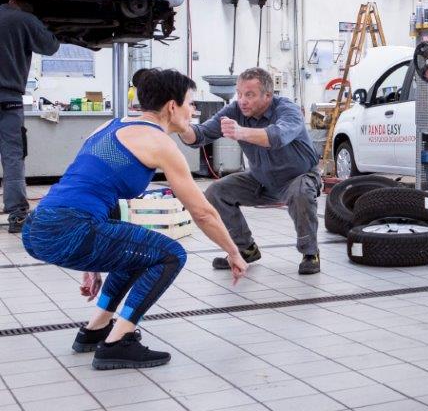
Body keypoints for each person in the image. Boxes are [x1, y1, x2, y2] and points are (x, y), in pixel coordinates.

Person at [21, 69, 247, 369]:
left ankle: (96, 329)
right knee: (171, 255)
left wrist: (93, 263)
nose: (193, 111)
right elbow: (202, 212)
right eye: (190, 103)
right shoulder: (160, 143)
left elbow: (90, 185)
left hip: (38, 227)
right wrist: (233, 251)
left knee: (138, 252)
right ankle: (118, 342)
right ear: (172, 106)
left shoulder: (109, 126)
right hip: (71, 228)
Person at [182, 67, 323, 275]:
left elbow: (277, 137)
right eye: (239, 94)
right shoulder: (235, 110)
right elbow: (201, 134)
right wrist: (181, 127)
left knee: (301, 191)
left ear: (268, 95)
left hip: (298, 177)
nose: (242, 101)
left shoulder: (288, 110)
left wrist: (240, 132)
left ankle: (310, 252)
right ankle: (246, 249)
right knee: (216, 192)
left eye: (249, 95)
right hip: (261, 179)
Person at [1, 0, 60, 234]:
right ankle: (17, 216)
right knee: (13, 157)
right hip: (10, 101)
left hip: (10, 100)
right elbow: (51, 46)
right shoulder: (26, 20)